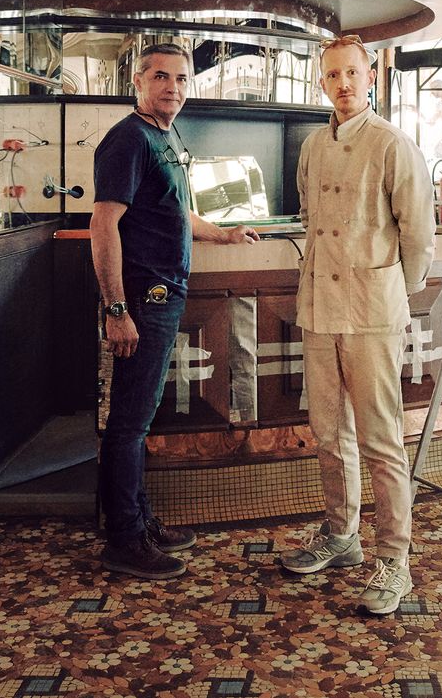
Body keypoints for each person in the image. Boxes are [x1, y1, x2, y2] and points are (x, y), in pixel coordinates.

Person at [91, 42, 259, 579]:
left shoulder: (162, 137)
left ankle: (137, 518)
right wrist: (117, 310)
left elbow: (177, 210)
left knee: (139, 421)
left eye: (182, 79)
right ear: (137, 82)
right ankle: (122, 537)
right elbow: (104, 225)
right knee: (129, 424)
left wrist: (225, 235)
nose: (173, 88)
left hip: (164, 294)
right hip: (143, 298)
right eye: (161, 77)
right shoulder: (127, 139)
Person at [280, 35, 434, 615]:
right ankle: (340, 535)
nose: (342, 84)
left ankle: (395, 559)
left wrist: (392, 288)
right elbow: (307, 214)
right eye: (332, 76)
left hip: (371, 312)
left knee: (380, 440)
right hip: (319, 308)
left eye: (352, 73)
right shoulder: (314, 146)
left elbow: (418, 236)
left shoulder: (393, 144)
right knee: (328, 435)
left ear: (370, 77)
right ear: (321, 83)